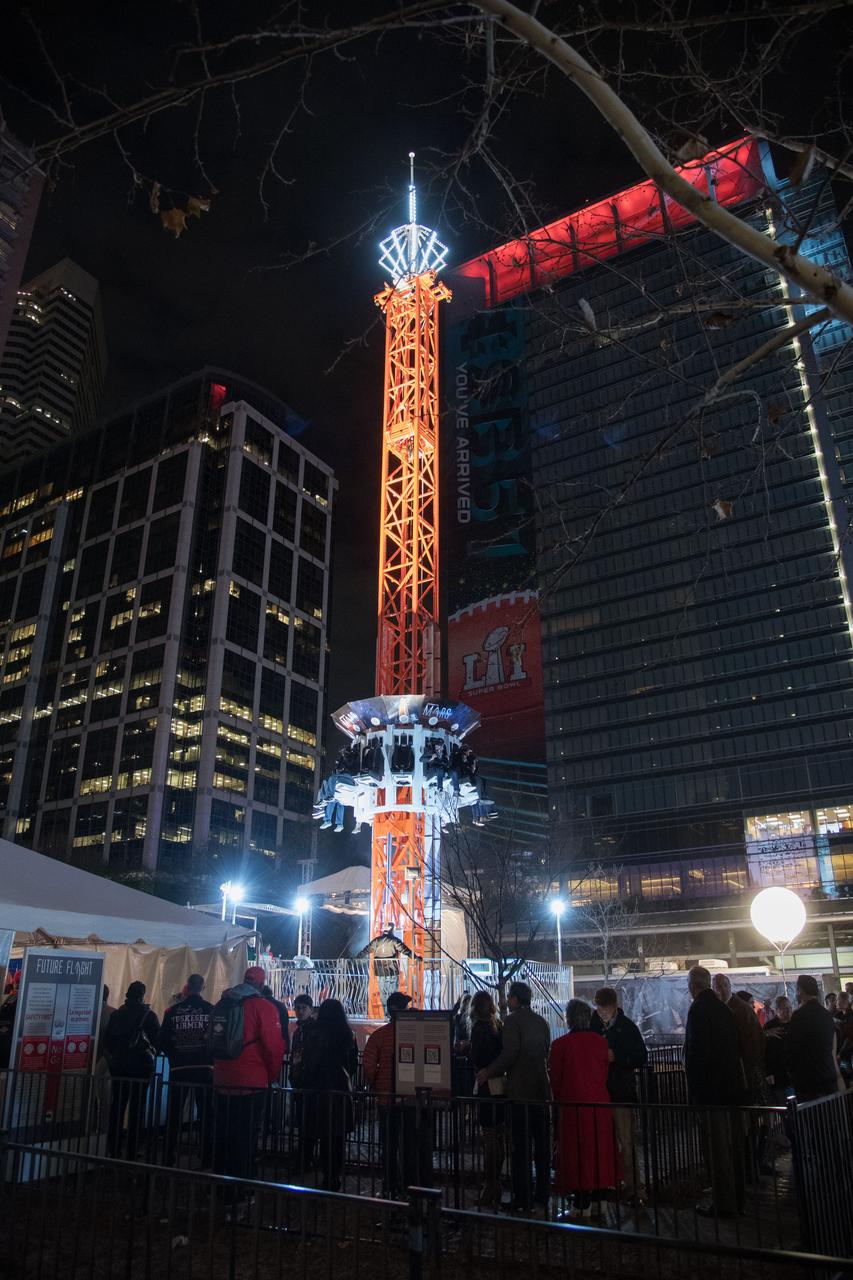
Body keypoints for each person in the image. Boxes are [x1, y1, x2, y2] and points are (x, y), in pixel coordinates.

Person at [477, 981, 551, 1214]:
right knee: (541, 1147)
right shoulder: (542, 1022)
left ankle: (522, 1197)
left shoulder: (512, 1022)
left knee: (520, 1147)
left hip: (520, 1091)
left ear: (516, 1000)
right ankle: (542, 1194)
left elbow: (510, 1053)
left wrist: (489, 1072)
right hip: (541, 1090)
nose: (506, 1001)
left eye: (509, 997)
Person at [211, 965, 285, 1186]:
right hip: (251, 1082)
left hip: (222, 1078)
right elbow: (274, 1047)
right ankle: (241, 1186)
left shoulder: (222, 1003)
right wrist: (271, 1076)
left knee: (222, 1132)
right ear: (261, 985)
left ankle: (220, 1182)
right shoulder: (263, 1007)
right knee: (245, 1135)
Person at [684, 965, 745, 1218]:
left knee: (716, 1147)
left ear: (692, 985)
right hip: (731, 1088)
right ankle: (737, 1197)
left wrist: (695, 1091)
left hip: (711, 1091)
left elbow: (697, 1055)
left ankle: (724, 1203)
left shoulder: (698, 1010)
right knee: (733, 1147)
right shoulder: (724, 1009)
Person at [550, 998, 619, 1219]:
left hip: (573, 1106)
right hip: (599, 1105)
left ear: (569, 1019)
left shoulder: (560, 1045)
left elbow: (556, 1079)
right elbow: (605, 1074)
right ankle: (600, 1200)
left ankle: (581, 1204)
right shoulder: (600, 1043)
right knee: (599, 1153)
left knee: (577, 1155)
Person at [363, 991, 432, 1196]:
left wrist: (375, 1082)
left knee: (389, 1145)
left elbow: (367, 1065)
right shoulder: (414, 1033)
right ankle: (410, 1185)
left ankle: (390, 1184)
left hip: (387, 1098)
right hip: (411, 1098)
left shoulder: (380, 1035)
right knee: (410, 1144)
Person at [590, 986, 647, 1197]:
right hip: (604, 1090)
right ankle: (612, 1182)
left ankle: (632, 1184)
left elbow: (641, 1055)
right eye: (599, 1008)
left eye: (605, 1008)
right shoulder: (595, 1025)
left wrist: (618, 1057)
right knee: (610, 1140)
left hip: (619, 1091)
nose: (602, 1012)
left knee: (626, 1140)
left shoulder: (626, 1027)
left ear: (614, 1007)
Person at [301, 998, 358, 1190]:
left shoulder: (314, 1033)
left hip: (319, 1091)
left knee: (324, 1136)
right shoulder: (347, 1034)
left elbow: (308, 1063)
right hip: (340, 1091)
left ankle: (326, 1174)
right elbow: (352, 1065)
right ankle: (335, 1175)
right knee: (338, 1137)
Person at [158, 973, 214, 1166]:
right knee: (206, 1114)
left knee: (174, 1113)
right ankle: (206, 1156)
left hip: (179, 1068)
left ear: (187, 987)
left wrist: (174, 1056)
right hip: (204, 1069)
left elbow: (162, 1039)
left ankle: (169, 1154)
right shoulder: (210, 1010)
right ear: (202, 988)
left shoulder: (173, 1011)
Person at [104, 981, 161, 1160]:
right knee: (138, 1108)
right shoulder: (148, 1015)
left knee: (117, 1106)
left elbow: (108, 1043)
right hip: (141, 1068)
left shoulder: (117, 1015)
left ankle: (113, 1147)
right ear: (142, 995)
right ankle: (132, 1149)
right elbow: (158, 1042)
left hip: (119, 1066)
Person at [468, 990, 506, 1209]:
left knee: (489, 1136)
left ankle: (490, 1184)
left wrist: (468, 1052)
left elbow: (478, 1056)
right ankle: (496, 1182)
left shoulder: (478, 1028)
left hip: (485, 1084)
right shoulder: (498, 1025)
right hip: (500, 1083)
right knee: (498, 1134)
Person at [786, 974, 840, 1101]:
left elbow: (792, 1049)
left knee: (812, 1119)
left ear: (800, 990)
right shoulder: (827, 1015)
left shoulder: (799, 1015)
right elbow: (832, 1048)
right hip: (828, 1076)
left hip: (808, 1081)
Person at [290, 993, 318, 1173]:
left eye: (303, 1008)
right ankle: (305, 1158)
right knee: (303, 1123)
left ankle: (305, 1159)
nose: (299, 1011)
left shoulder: (312, 1030)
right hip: (299, 1080)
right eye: (297, 1008)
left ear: (310, 1009)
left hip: (308, 1082)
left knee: (308, 1123)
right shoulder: (298, 1031)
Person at [262, 983, 290, 1059]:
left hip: (266, 1044)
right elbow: (285, 1025)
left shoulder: (262, 1005)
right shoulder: (281, 1005)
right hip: (279, 1042)